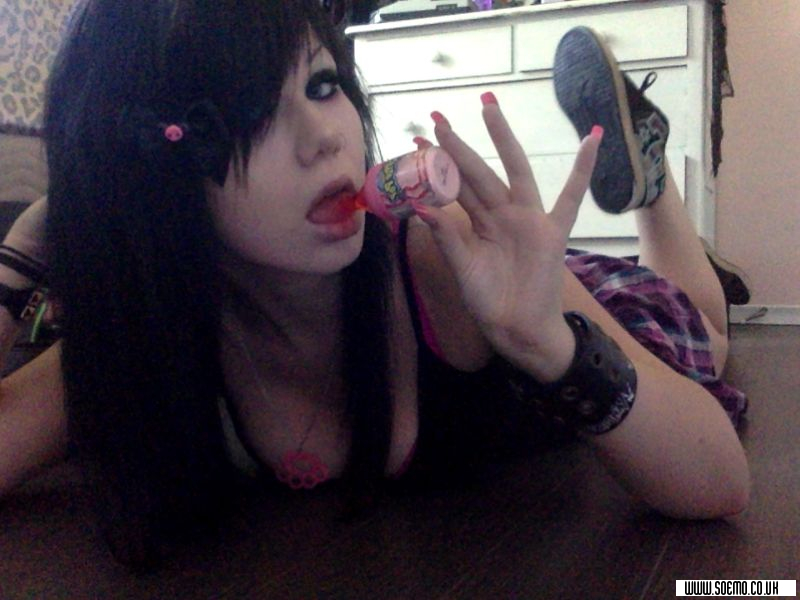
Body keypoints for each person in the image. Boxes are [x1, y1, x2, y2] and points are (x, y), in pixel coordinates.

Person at [0, 1, 749, 568]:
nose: (326, 136)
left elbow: (719, 480)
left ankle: (652, 182)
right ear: (148, 176)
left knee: (701, 335)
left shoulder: (438, 261)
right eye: (251, 116)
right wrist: (27, 252)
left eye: (323, 84)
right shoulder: (150, 341)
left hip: (557, 302)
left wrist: (547, 342)